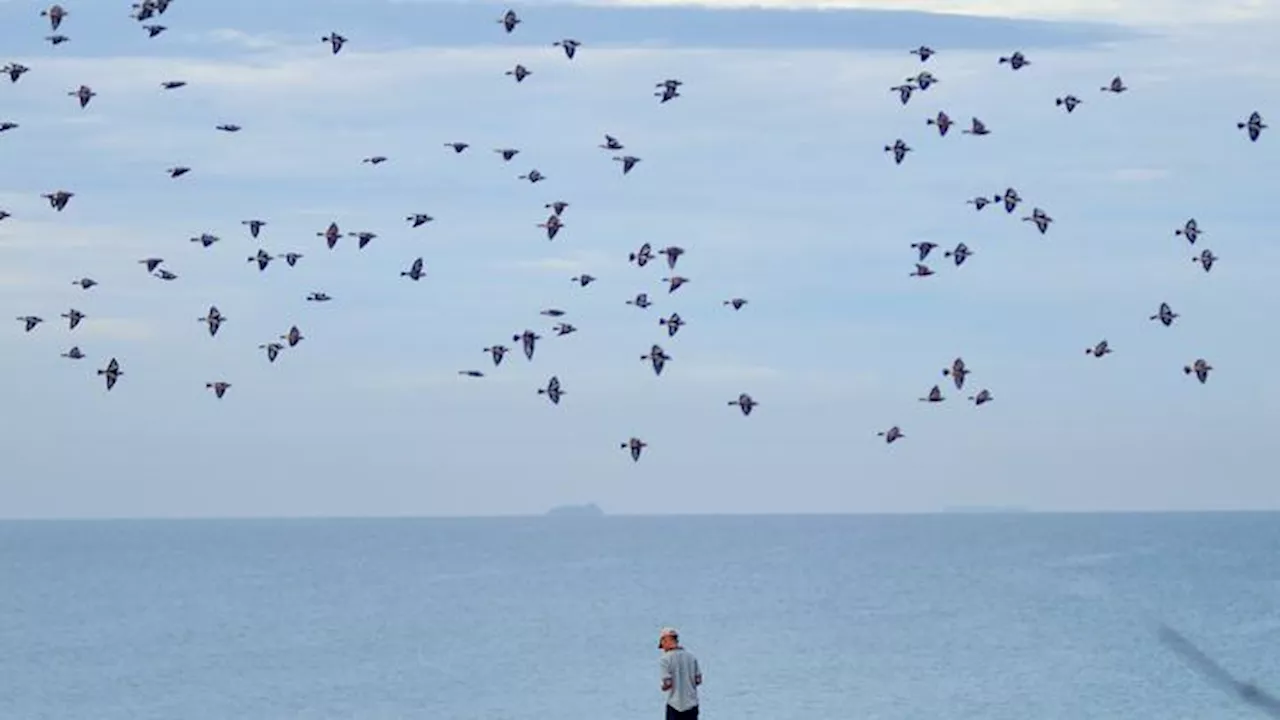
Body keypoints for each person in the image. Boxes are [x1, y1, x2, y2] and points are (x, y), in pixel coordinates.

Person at [658, 627, 702, 719]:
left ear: (666, 640)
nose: (663, 648)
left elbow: (668, 683)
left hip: (675, 705)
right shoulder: (691, 657)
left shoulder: (665, 659)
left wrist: (663, 687)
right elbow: (698, 680)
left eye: (663, 644)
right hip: (691, 704)